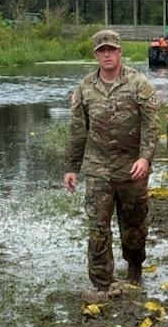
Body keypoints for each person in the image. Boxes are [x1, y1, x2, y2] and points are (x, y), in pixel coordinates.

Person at [64, 29, 160, 294]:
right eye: (101, 50)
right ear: (95, 54)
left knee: (134, 228)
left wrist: (145, 158)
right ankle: (103, 283)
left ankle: (134, 268)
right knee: (97, 229)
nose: (107, 54)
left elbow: (152, 125)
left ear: (120, 52)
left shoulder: (139, 84)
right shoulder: (85, 88)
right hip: (98, 170)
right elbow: (77, 130)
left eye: (111, 49)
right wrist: (71, 167)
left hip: (132, 171)